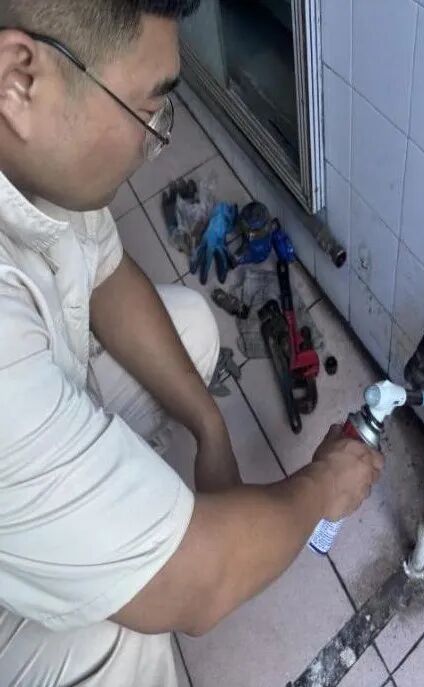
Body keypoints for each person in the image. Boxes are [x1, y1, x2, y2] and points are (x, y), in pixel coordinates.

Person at [0, 2, 384, 685]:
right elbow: (199, 585)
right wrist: (324, 486)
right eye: (148, 108)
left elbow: (108, 276)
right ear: (19, 80)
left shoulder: (30, 166)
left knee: (193, 327)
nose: (155, 140)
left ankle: (88, 492)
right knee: (125, 636)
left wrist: (210, 428)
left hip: (27, 419)